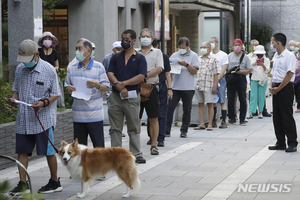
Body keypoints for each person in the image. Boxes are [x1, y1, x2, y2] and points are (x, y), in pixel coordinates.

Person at [8, 39, 62, 195]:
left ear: (37, 55)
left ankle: (54, 181)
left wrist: (44, 102)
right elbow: (15, 89)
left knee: (48, 151)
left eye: (28, 60)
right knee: (22, 151)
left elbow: (56, 94)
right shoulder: (20, 69)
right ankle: (23, 184)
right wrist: (13, 98)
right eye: (23, 60)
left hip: (43, 119)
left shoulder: (49, 70)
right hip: (23, 118)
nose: (25, 64)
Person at [107, 29, 147, 163]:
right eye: (123, 38)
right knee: (115, 128)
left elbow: (141, 76)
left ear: (134, 41)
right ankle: (115, 154)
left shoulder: (140, 58)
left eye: (127, 39)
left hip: (132, 97)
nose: (124, 41)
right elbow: (110, 73)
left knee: (134, 128)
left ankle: (136, 153)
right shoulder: (116, 57)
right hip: (116, 96)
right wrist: (118, 84)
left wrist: (124, 84)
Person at [65, 39, 110, 148]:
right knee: (79, 150)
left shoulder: (99, 67)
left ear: (88, 52)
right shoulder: (71, 68)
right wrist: (69, 89)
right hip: (78, 116)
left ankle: (99, 166)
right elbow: (67, 86)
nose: (77, 52)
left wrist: (97, 85)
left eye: (80, 49)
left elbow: (106, 87)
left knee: (98, 148)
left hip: (95, 115)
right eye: (76, 49)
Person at [268, 33, 298, 153]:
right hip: (276, 87)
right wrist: (271, 85)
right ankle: (280, 142)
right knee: (277, 116)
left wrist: (279, 88)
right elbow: (273, 73)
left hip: (285, 88)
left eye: (272, 42)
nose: (272, 45)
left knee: (286, 115)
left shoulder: (289, 56)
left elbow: (290, 74)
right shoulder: (276, 55)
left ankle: (292, 142)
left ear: (278, 43)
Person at [137, 28, 164, 155]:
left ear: (152, 39)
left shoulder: (157, 52)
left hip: (151, 87)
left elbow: (159, 68)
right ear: (139, 38)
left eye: (148, 36)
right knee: (136, 118)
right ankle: (135, 145)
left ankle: (154, 145)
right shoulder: (135, 52)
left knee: (153, 118)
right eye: (143, 36)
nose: (145, 38)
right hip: (136, 88)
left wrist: (144, 75)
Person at [166, 37, 199, 138]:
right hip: (175, 87)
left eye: (183, 47)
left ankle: (184, 130)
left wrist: (186, 65)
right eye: (180, 47)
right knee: (169, 108)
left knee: (187, 110)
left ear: (188, 46)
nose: (181, 49)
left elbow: (195, 71)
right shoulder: (175, 55)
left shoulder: (193, 56)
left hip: (188, 88)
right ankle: (166, 130)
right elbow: (168, 70)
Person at [146, 38, 172, 147]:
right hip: (148, 86)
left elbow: (167, 73)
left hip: (160, 86)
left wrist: (170, 89)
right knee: (150, 113)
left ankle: (160, 137)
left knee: (161, 112)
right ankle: (151, 137)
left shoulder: (163, 56)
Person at [194, 42, 219, 131]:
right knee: (200, 104)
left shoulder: (213, 59)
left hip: (209, 85)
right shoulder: (198, 58)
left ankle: (210, 124)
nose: (202, 49)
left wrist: (215, 86)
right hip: (198, 84)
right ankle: (202, 124)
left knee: (210, 104)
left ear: (209, 49)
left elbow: (216, 74)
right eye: (201, 47)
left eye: (204, 47)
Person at [227, 39, 252, 126]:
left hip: (241, 78)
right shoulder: (229, 56)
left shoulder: (245, 57)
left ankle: (242, 119)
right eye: (235, 45)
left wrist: (241, 72)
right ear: (233, 46)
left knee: (242, 98)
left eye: (238, 45)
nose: (237, 47)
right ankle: (232, 118)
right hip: (231, 79)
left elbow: (249, 69)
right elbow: (226, 68)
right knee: (230, 99)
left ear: (241, 46)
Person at [247, 39, 272, 118]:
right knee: (253, 96)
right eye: (258, 54)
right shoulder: (252, 59)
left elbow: (267, 70)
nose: (259, 55)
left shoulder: (267, 60)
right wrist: (253, 64)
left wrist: (262, 65)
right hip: (254, 79)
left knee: (261, 96)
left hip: (263, 79)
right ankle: (251, 112)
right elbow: (250, 70)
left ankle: (261, 112)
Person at [209, 36, 228, 128]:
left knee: (222, 100)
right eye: (210, 42)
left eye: (212, 42)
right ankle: (213, 121)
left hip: (221, 79)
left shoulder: (223, 55)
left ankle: (224, 121)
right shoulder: (209, 55)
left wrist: (217, 79)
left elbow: (223, 69)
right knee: (213, 101)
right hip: (210, 80)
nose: (211, 44)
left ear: (217, 43)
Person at [293, 41, 300, 113]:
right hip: (296, 80)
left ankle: (299, 107)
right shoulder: (297, 60)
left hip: (299, 80)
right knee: (297, 93)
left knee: (298, 93)